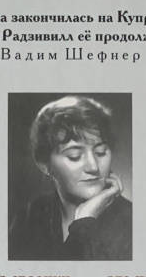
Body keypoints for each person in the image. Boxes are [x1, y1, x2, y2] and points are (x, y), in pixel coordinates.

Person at [9, 96, 132, 261]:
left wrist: (84, 222)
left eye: (101, 152)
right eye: (75, 156)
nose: (93, 167)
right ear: (44, 164)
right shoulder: (28, 218)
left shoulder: (132, 223)